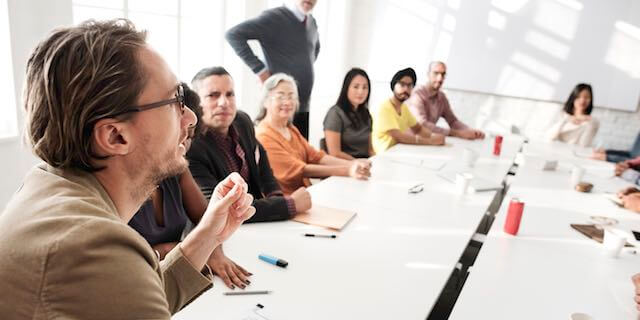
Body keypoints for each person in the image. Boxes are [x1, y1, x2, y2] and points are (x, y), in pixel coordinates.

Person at [0, 19, 255, 319]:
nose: (190, 119)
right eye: (176, 101)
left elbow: (134, 295)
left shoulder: (46, 185)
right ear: (115, 136)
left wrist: (209, 233)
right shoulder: (95, 248)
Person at [129, 83, 253, 290]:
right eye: (182, 130)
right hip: (139, 284)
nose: (186, 142)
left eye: (192, 135)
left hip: (173, 278)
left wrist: (214, 252)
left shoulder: (177, 167)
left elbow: (208, 219)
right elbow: (124, 257)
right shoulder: (122, 178)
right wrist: (182, 248)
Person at [187, 66, 311, 223]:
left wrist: (275, 195)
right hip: (223, 234)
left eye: (230, 94)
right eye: (213, 95)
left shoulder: (241, 120)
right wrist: (287, 205)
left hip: (256, 222)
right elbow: (219, 208)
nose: (224, 102)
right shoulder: (191, 146)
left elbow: (262, 159)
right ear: (197, 104)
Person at [255, 73, 371, 195]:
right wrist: (348, 170)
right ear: (265, 101)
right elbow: (301, 170)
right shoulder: (263, 135)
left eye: (291, 96)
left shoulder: (290, 128)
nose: (288, 102)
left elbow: (316, 157)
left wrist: (353, 164)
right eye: (280, 97)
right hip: (287, 203)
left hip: (307, 194)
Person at [225, 0, 320, 139]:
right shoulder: (274, 18)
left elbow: (314, 49)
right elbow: (233, 35)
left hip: (302, 104)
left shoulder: (312, 23)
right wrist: (261, 70)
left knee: (302, 153)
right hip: (280, 105)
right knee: (279, 153)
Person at [372, 67, 445, 153]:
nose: (406, 89)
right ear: (393, 85)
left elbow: (418, 129)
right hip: (382, 156)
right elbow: (400, 137)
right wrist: (430, 141)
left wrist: (434, 136)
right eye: (402, 85)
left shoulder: (404, 107)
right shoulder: (384, 108)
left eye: (409, 85)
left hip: (398, 152)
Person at [407, 61, 485, 140]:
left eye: (443, 74)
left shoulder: (442, 97)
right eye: (436, 73)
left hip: (428, 140)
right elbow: (422, 125)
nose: (440, 78)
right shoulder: (417, 94)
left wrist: (471, 131)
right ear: (428, 74)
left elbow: (453, 121)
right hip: (410, 141)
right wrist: (457, 133)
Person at [322, 68, 374, 159]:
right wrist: (359, 163)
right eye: (356, 87)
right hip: (344, 166)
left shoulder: (365, 114)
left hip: (364, 164)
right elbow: (335, 153)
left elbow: (370, 150)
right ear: (346, 88)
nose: (361, 92)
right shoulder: (335, 114)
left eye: (365, 87)